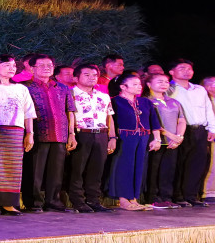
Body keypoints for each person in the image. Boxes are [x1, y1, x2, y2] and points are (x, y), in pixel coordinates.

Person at [23, 54, 78, 213]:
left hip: (60, 134)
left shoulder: (63, 88)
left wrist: (72, 134)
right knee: (34, 171)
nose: (47, 68)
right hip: (37, 134)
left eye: (49, 65)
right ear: (32, 68)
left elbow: (70, 111)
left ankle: (53, 202)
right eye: (42, 65)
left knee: (56, 172)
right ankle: (33, 203)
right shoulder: (25, 87)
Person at [0, 54, 36, 215]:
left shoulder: (21, 88)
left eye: (13, 65)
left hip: (16, 132)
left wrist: (30, 133)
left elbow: (29, 113)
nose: (12, 68)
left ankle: (9, 203)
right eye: (6, 65)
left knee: (13, 168)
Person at [108, 74, 161, 210]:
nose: (139, 87)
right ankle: (124, 199)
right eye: (134, 84)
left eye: (139, 84)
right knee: (124, 167)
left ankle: (134, 198)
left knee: (139, 167)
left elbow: (154, 122)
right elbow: (111, 121)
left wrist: (157, 139)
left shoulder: (145, 102)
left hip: (143, 137)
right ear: (123, 87)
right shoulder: (115, 101)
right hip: (125, 137)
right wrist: (112, 138)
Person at [67, 64, 116, 213]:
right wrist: (71, 134)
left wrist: (112, 136)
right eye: (87, 75)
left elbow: (109, 117)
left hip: (101, 133)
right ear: (76, 77)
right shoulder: (70, 94)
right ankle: (78, 201)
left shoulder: (103, 95)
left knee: (97, 169)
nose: (92, 78)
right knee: (77, 168)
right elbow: (69, 116)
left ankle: (94, 200)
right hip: (82, 132)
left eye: (95, 75)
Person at [167, 58, 215, 207]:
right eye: (182, 68)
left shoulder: (199, 89)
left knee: (197, 163)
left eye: (189, 68)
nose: (187, 71)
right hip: (180, 130)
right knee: (179, 163)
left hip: (200, 130)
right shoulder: (169, 89)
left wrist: (212, 128)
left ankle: (191, 196)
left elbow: (208, 109)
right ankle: (177, 196)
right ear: (171, 72)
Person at [143, 73, 184, 209]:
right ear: (149, 84)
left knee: (169, 170)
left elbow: (181, 120)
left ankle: (166, 197)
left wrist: (179, 137)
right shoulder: (146, 101)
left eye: (166, 82)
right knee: (153, 170)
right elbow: (151, 122)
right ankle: (152, 198)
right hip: (155, 141)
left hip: (173, 142)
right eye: (160, 81)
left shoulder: (174, 102)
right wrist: (171, 135)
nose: (164, 84)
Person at [201, 76, 215, 202]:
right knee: (211, 164)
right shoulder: (204, 100)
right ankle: (208, 191)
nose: (213, 87)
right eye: (210, 85)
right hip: (210, 136)